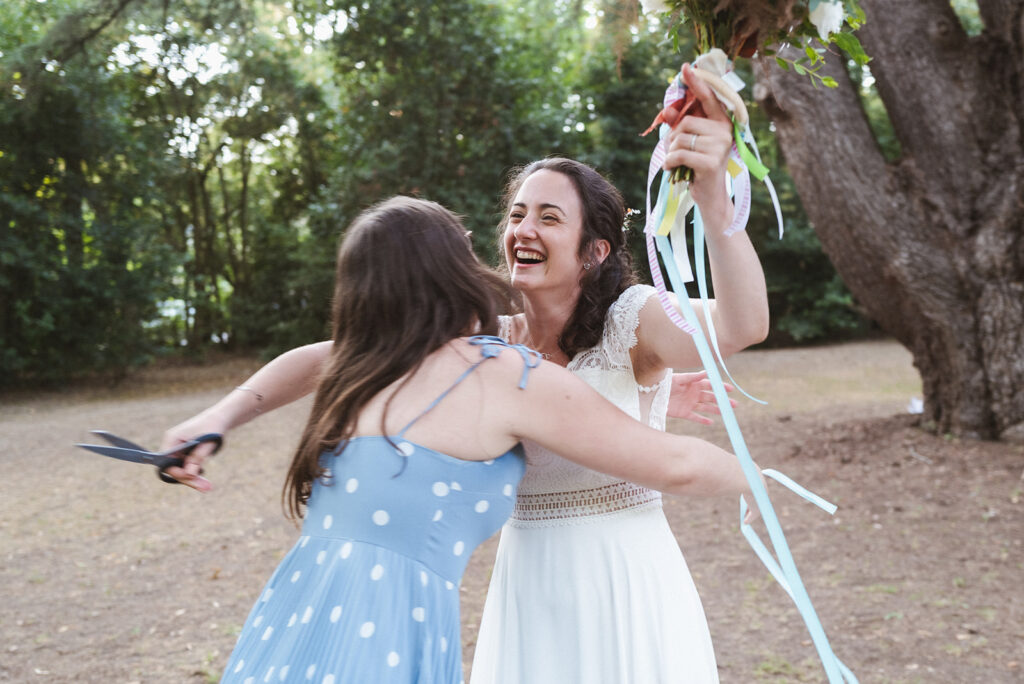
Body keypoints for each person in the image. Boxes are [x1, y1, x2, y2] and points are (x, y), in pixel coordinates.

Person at [165, 65, 765, 683]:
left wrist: (712, 198)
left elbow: (742, 326)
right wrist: (218, 417)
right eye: (517, 214)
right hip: (528, 583)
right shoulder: (485, 345)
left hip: (624, 574)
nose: (523, 229)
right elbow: (326, 356)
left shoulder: (632, 319)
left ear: (595, 250)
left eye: (549, 218)